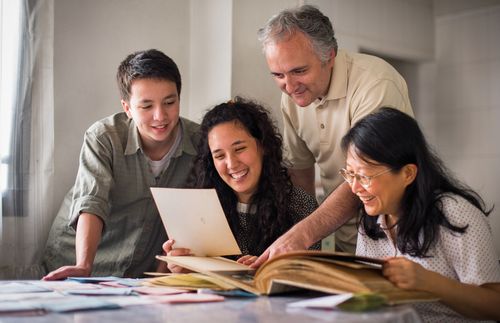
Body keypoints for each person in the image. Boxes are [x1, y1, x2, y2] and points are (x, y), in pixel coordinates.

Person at [253, 4, 414, 266]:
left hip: (396, 241)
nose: (289, 86)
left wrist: (302, 235)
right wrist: (303, 248)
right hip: (342, 241)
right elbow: (300, 176)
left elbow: (367, 175)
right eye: (278, 75)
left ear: (329, 55)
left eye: (299, 71)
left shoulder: (375, 83)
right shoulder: (293, 98)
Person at [42, 49, 200, 279]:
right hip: (75, 262)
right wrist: (83, 264)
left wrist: (165, 274)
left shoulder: (200, 142)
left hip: (138, 272)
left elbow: (188, 220)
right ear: (127, 108)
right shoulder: (104, 137)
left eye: (169, 102)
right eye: (146, 106)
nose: (160, 116)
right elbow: (92, 203)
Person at [340, 107, 500, 322]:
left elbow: (494, 305)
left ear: (408, 173)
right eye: (350, 174)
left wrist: (428, 282)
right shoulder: (371, 220)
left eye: (365, 176)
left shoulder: (455, 214)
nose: (354, 188)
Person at [162, 97, 320, 272]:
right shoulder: (199, 208)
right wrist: (184, 268)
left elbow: (309, 276)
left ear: (263, 146)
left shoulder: (300, 204)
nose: (232, 164)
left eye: (239, 149)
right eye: (220, 156)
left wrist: (266, 270)